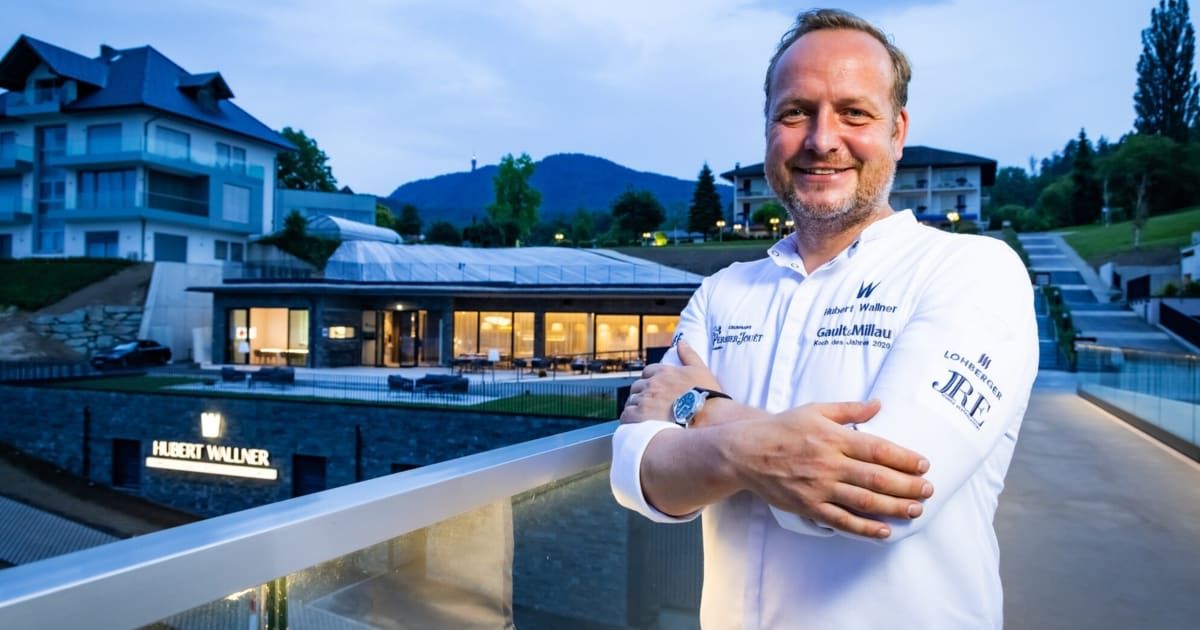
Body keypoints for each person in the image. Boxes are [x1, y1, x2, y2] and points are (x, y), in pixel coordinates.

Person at [610, 8, 1038, 629]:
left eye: (854, 113)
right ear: (768, 131)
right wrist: (760, 452)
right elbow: (638, 475)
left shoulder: (973, 271)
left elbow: (886, 497)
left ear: (897, 131)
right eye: (795, 112)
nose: (820, 138)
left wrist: (706, 413)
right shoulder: (723, 292)